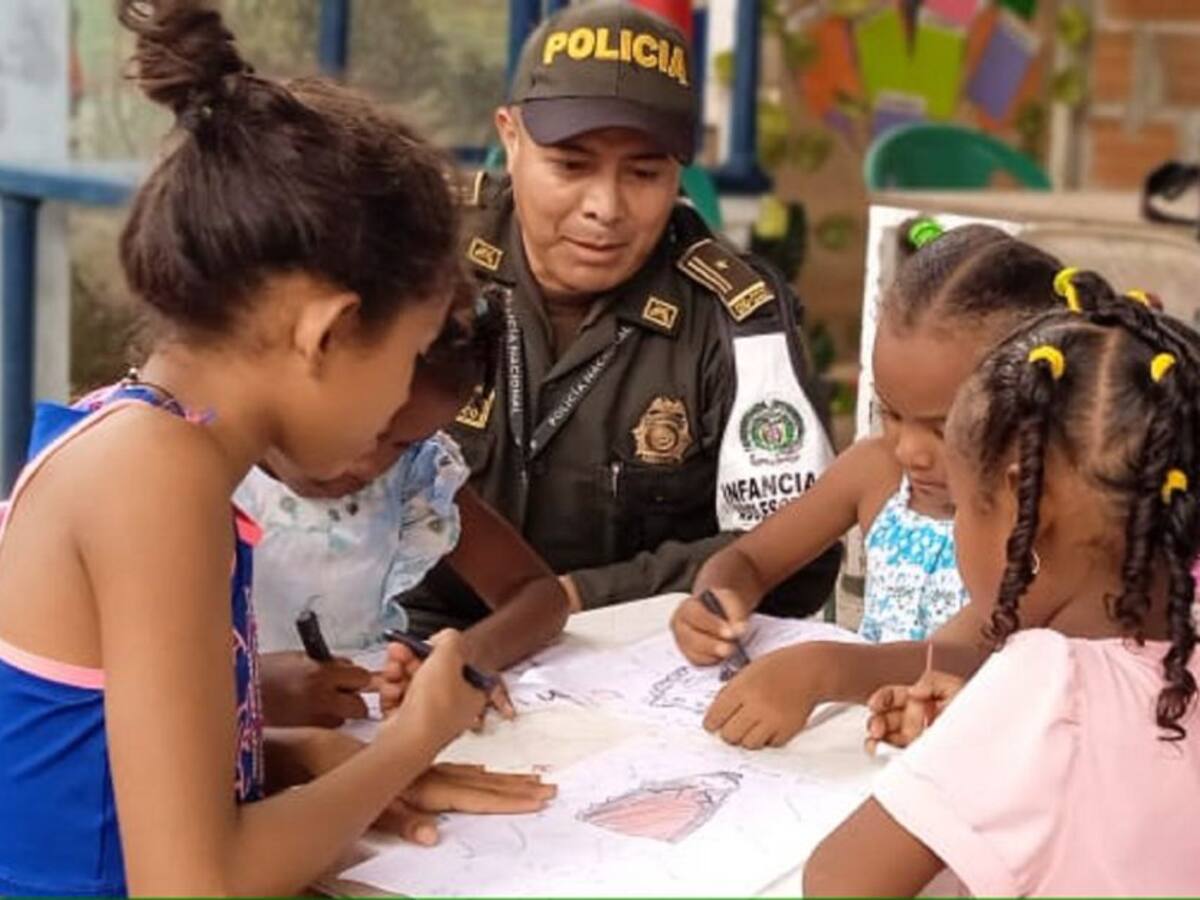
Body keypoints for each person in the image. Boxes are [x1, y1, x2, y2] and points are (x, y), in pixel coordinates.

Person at [0, 2, 551, 895]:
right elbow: (193, 884)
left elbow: (107, 765)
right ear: (330, 332)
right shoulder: (157, 478)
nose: (399, 409)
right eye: (409, 357)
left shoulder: (140, 439)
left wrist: (318, 763)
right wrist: (411, 742)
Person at [402, 1, 840, 636]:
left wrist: (580, 596)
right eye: (571, 166)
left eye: (644, 172)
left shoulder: (734, 315)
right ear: (510, 136)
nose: (605, 207)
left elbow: (798, 552)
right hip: (405, 641)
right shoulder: (418, 251)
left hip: (629, 662)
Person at [805, 273, 1200, 896]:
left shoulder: (1043, 683)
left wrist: (990, 729)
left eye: (964, 507)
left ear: (1026, 515)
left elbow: (839, 880)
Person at [673, 222, 1067, 749]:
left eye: (942, 427)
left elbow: (979, 653)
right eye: (891, 413)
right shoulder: (875, 471)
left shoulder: (1049, 518)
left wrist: (826, 670)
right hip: (868, 749)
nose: (908, 449)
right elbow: (748, 559)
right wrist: (716, 604)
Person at [240, 291, 570, 727]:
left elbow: (539, 594)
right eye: (367, 427)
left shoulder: (411, 475)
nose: (369, 462)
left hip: (361, 735)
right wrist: (246, 689)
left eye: (402, 443)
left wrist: (464, 656)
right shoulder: (205, 472)